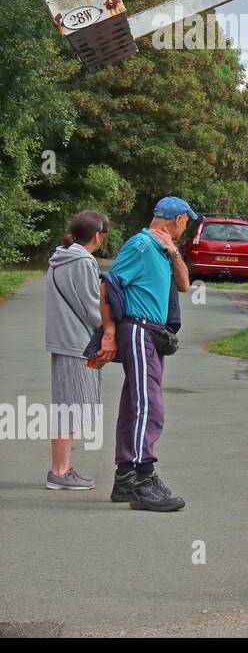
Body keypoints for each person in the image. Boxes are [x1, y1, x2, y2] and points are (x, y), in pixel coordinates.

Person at [96, 196, 194, 512]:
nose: (186, 226)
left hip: (152, 332)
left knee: (135, 402)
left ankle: (125, 478)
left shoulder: (161, 249)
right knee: (147, 403)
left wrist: (174, 251)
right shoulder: (139, 245)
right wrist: (109, 334)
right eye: (186, 221)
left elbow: (184, 284)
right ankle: (142, 478)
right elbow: (107, 286)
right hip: (137, 329)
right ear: (178, 219)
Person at [44, 210, 110, 490]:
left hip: (62, 340)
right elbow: (93, 306)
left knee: (66, 405)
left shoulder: (60, 257)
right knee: (71, 407)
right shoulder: (83, 261)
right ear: (98, 236)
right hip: (76, 342)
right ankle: (59, 472)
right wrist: (110, 328)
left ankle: (60, 469)